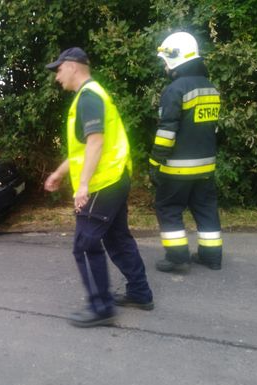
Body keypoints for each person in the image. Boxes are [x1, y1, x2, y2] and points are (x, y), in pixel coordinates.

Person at [44, 47, 154, 328]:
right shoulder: (91, 95)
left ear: (72, 66)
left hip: (102, 182)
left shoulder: (89, 97)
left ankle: (101, 307)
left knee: (85, 244)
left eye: (58, 70)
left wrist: (82, 186)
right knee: (117, 238)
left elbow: (96, 142)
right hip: (114, 177)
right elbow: (83, 148)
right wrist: (59, 172)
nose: (57, 77)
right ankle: (140, 293)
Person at [151, 32, 222, 273]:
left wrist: (155, 162)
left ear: (175, 58)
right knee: (205, 208)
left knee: (167, 208)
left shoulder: (175, 89)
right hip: (206, 166)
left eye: (165, 59)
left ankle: (177, 257)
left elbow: (167, 131)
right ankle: (211, 256)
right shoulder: (210, 88)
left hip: (178, 167)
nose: (164, 64)